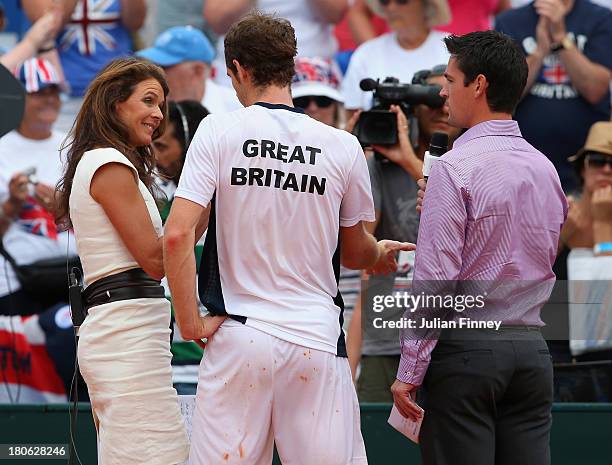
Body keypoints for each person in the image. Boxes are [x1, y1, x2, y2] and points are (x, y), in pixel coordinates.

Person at [164, 13, 413, 465]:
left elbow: (178, 234)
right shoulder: (342, 145)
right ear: (291, 68)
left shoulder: (219, 130)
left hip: (240, 336)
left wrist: (190, 323)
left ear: (237, 69)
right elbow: (357, 251)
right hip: (315, 340)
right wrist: (379, 253)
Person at [390, 31, 567, 465]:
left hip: (467, 354)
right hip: (532, 354)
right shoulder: (546, 168)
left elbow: (435, 283)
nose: (441, 90)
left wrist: (409, 369)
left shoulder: (453, 168)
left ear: (479, 85)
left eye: (450, 80)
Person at [55, 57, 219, 464]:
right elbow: (155, 259)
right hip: (124, 338)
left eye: (161, 104)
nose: (157, 114)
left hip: (131, 333)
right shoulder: (106, 164)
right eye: (148, 101)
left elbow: (171, 247)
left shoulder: (113, 163)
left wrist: (209, 196)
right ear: (114, 103)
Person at [346, 65, 462, 401]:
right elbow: (362, 253)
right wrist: (352, 162)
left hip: (452, 339)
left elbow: (464, 218)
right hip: (387, 336)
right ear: (411, 109)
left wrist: (411, 161)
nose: (441, 108)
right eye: (430, 100)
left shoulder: (470, 164)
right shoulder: (380, 168)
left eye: (447, 97)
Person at [495, 0, 612, 192]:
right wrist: (540, 51)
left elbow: (595, 90)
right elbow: (502, 94)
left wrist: (560, 38)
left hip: (584, 172)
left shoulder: (601, 18)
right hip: (519, 171)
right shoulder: (509, 22)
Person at [0, 57, 75, 315]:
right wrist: (13, 203)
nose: (49, 99)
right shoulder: (2, 150)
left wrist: (64, 206)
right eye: (38, 93)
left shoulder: (73, 147)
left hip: (73, 276)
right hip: (15, 282)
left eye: (53, 91)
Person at [341, 0, 451, 114]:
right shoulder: (366, 53)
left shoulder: (453, 49)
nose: (391, 8)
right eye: (385, 2)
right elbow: (353, 114)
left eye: (401, 1)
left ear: (425, 4)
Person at [137, 25, 241, 113]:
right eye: (154, 65)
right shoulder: (148, 110)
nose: (156, 74)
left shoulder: (237, 109)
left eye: (165, 66)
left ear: (198, 70)